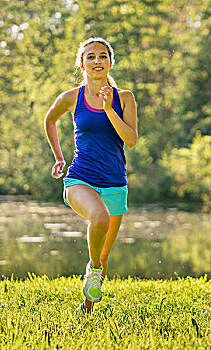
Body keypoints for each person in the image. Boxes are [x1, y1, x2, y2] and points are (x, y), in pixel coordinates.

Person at [44, 37, 138, 314]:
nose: (97, 61)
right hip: (79, 179)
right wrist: (59, 157)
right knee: (99, 218)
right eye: (90, 56)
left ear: (110, 62)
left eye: (102, 56)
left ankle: (86, 309)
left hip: (115, 183)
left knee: (105, 254)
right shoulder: (73, 97)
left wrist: (109, 108)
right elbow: (49, 119)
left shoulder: (125, 98)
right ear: (81, 64)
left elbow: (131, 140)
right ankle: (93, 268)